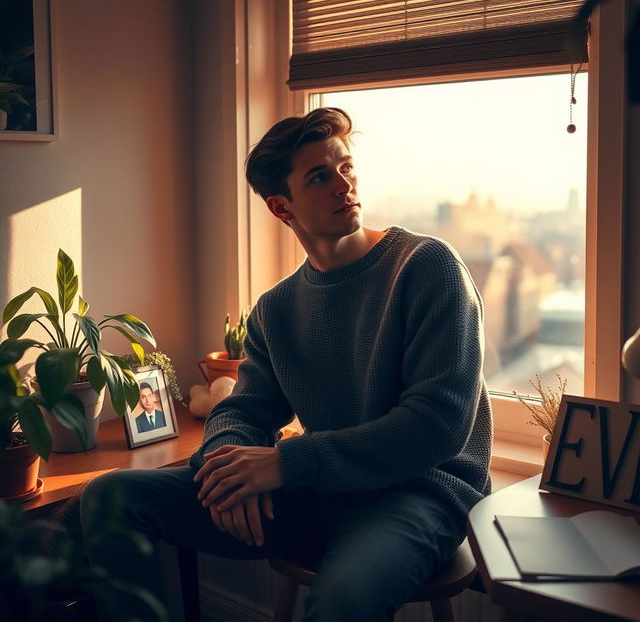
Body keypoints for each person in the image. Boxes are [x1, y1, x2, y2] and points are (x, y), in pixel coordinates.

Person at [81, 107, 492, 622]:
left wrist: (285, 463)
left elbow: (438, 426)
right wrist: (228, 468)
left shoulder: (427, 267)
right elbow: (244, 408)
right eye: (320, 176)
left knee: (344, 600)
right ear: (282, 207)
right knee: (109, 496)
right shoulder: (276, 309)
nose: (344, 185)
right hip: (320, 489)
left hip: (417, 492)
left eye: (345, 167)